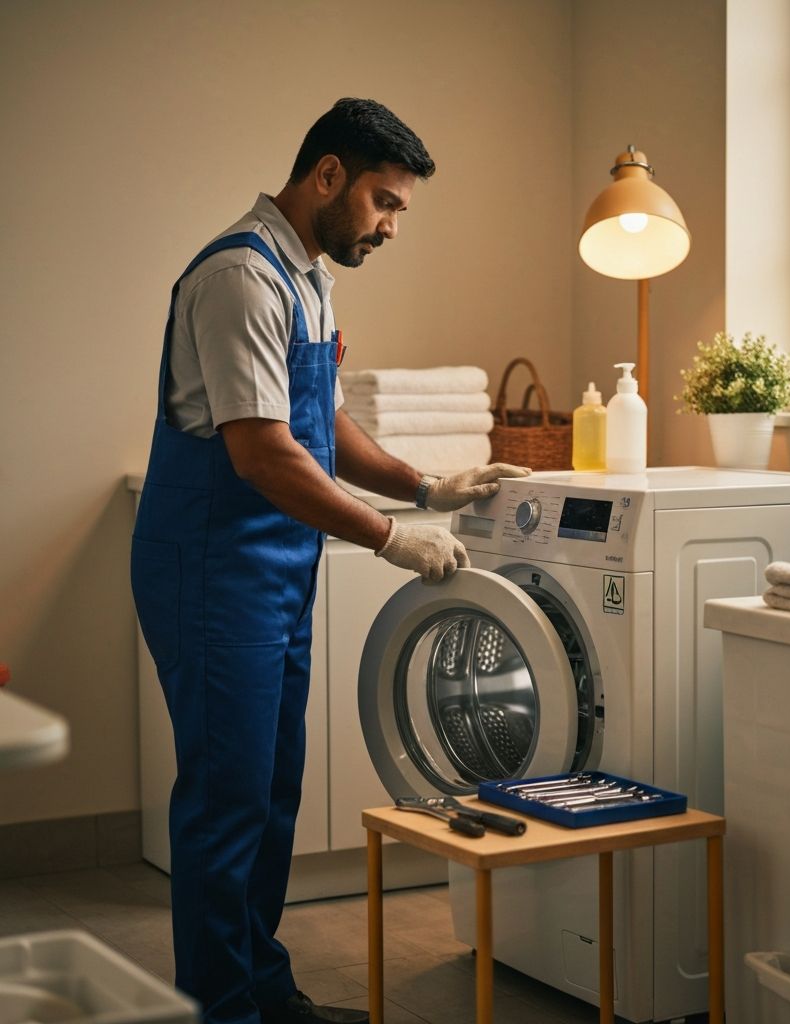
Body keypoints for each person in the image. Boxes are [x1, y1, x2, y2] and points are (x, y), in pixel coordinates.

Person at [130, 97, 529, 1024]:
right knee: (226, 799)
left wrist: (427, 486)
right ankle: (222, 1009)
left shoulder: (308, 277)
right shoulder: (242, 276)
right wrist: (390, 535)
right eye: (384, 203)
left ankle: (265, 992)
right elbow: (263, 453)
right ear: (327, 176)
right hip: (211, 568)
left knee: (272, 793)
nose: (389, 227)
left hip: (276, 568)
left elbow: (324, 424)